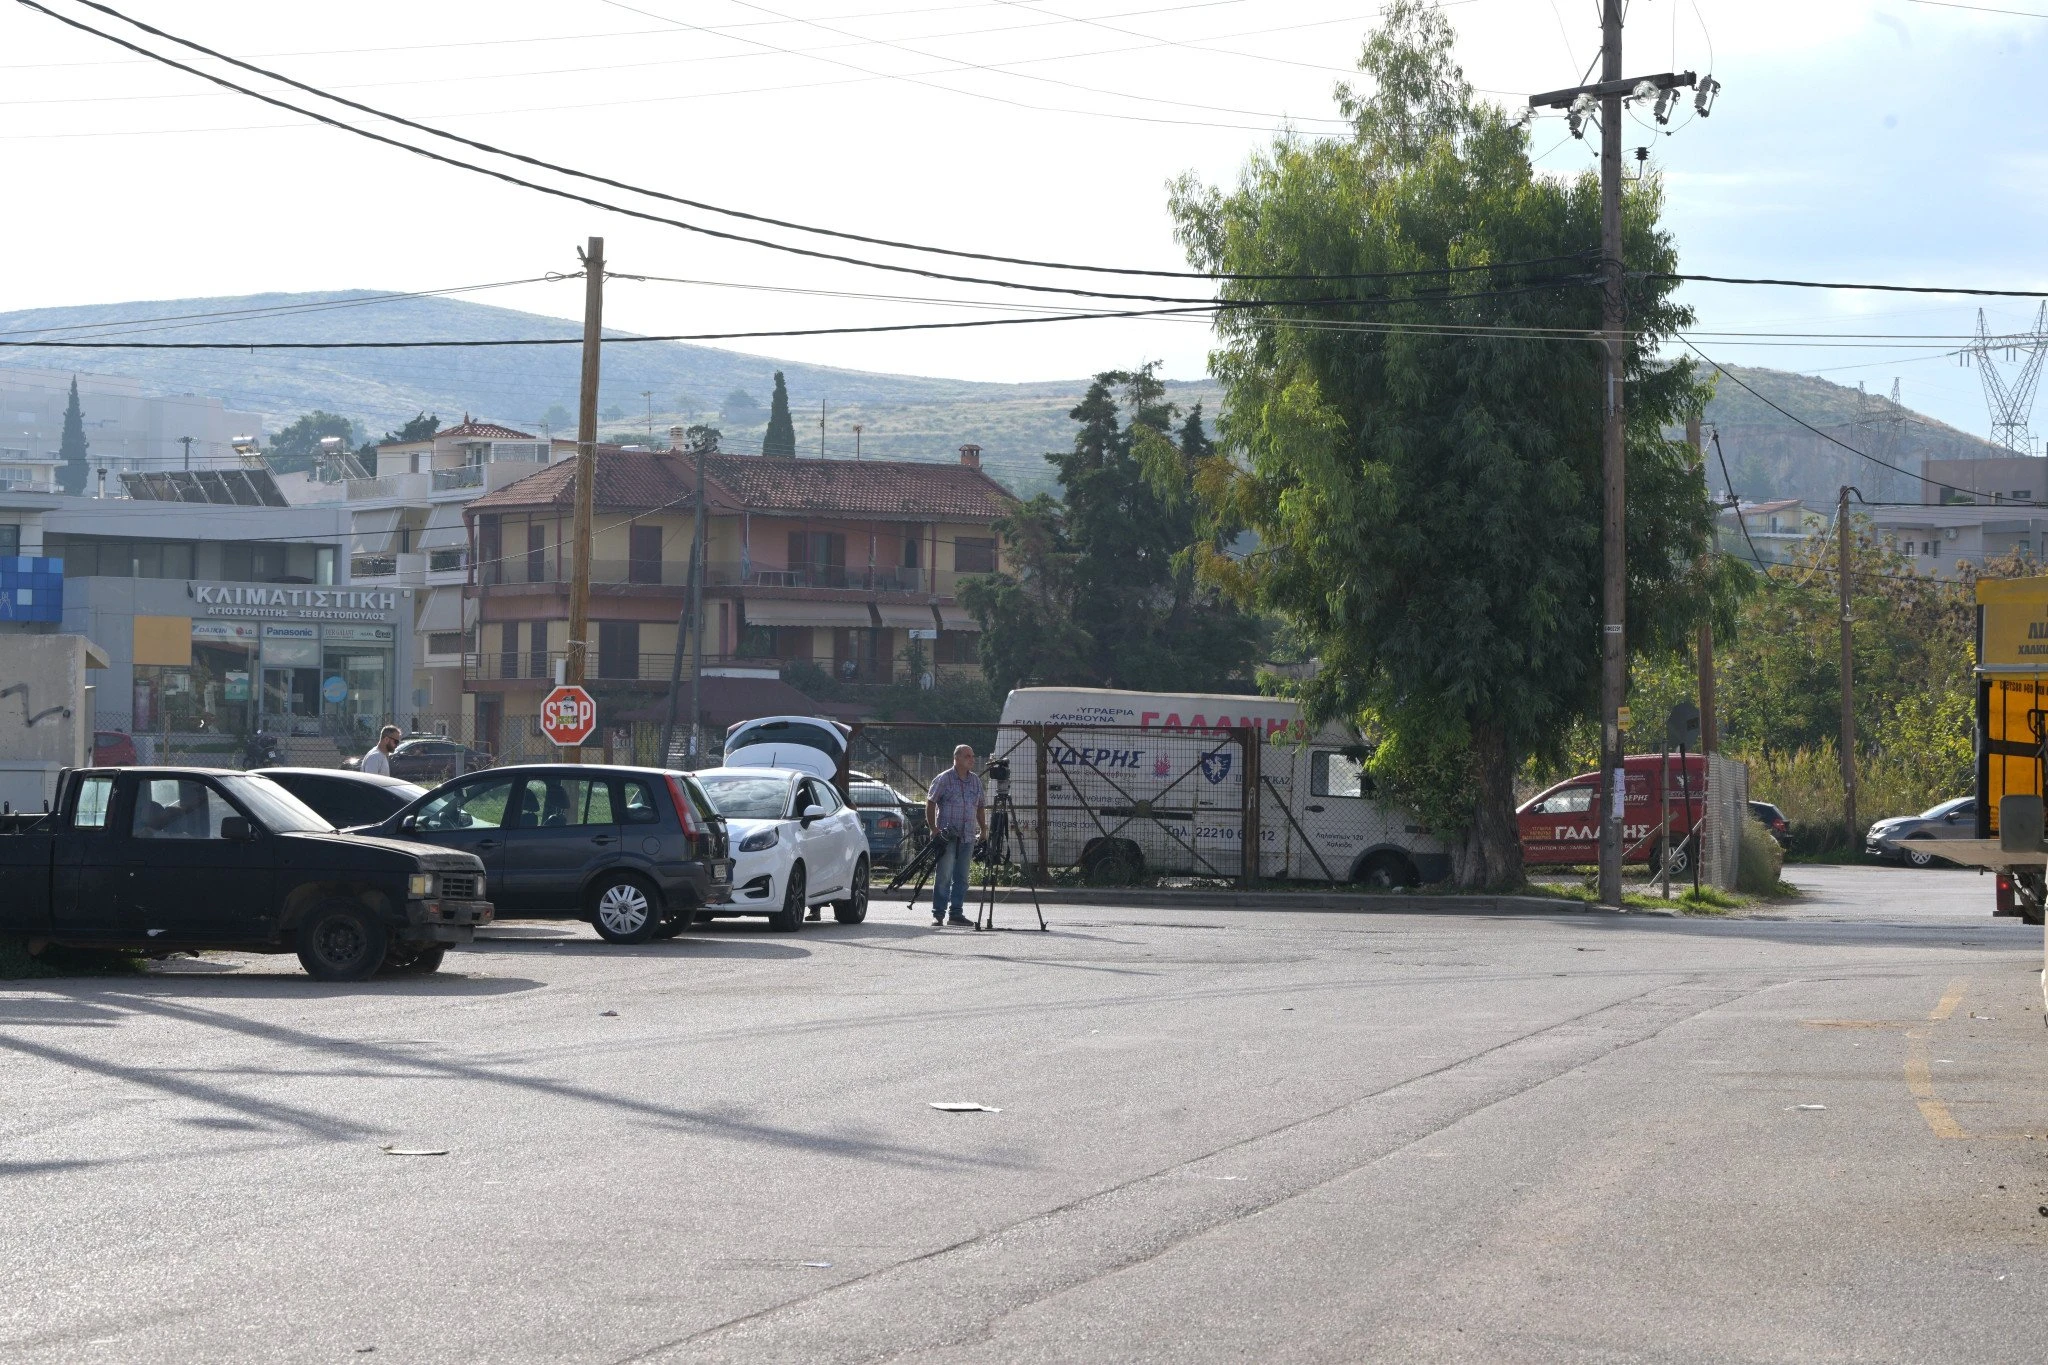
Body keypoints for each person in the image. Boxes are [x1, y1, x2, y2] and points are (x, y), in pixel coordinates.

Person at [925, 744, 987, 927]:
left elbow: (981, 807)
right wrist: (933, 828)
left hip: (968, 836)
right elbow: (930, 803)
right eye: (968, 756)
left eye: (973, 756)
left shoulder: (975, 781)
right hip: (948, 836)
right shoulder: (944, 779)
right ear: (957, 758)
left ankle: (956, 913)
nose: (972, 759)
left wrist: (983, 829)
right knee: (944, 875)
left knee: (962, 877)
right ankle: (938, 914)